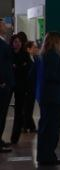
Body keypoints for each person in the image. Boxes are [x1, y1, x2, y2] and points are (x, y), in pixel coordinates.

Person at [36, 32, 60, 166]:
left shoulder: (45, 55)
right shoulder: (52, 56)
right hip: (52, 97)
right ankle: (47, 155)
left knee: (46, 126)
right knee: (51, 128)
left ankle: (45, 155)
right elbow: (52, 76)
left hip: (47, 96)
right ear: (55, 42)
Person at [10, 33, 34, 144]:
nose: (17, 44)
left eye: (19, 42)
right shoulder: (9, 54)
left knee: (19, 111)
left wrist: (17, 67)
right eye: (15, 42)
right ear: (12, 43)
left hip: (21, 87)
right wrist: (19, 67)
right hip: (10, 85)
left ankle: (15, 137)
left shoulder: (25, 54)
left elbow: (27, 68)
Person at [0, 23, 13, 153]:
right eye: (2, 24)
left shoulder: (3, 42)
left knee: (3, 114)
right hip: (2, 85)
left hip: (6, 83)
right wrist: (2, 81)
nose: (5, 26)